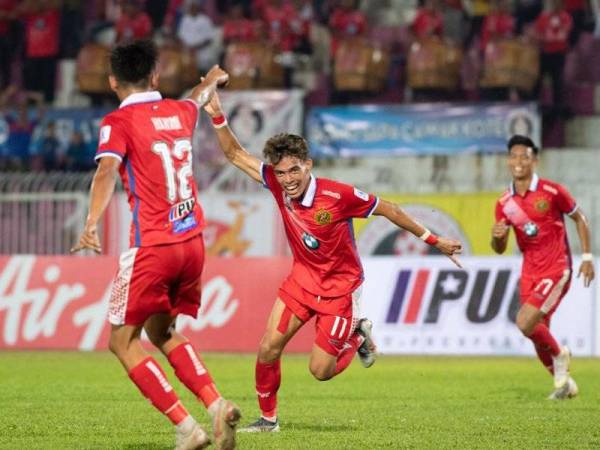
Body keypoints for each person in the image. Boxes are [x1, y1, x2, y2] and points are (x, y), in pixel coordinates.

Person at [203, 90, 463, 432]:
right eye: (280, 174)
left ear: (308, 165)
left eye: (294, 170)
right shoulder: (277, 185)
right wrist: (218, 116)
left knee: (320, 371)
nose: (288, 180)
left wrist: (434, 240)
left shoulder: (338, 195)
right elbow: (235, 154)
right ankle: (268, 420)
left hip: (340, 290)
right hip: (301, 281)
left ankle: (358, 336)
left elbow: (391, 210)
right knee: (268, 348)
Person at [71, 39, 239, 450]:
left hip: (153, 246)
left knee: (121, 341)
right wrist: (214, 79)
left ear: (112, 81)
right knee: (161, 331)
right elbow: (198, 99)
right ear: (156, 76)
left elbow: (107, 169)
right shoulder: (181, 112)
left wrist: (91, 222)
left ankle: (187, 428)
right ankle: (216, 405)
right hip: (193, 244)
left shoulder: (117, 122)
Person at [491, 135, 594, 400]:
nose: (518, 162)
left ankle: (560, 355)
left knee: (525, 322)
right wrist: (498, 236)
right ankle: (564, 385)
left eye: (524, 156)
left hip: (557, 267)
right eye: (513, 156)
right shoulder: (504, 203)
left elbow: (579, 218)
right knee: (537, 332)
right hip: (529, 270)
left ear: (534, 160)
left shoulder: (552, 191)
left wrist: (587, 256)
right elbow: (499, 248)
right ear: (507, 161)